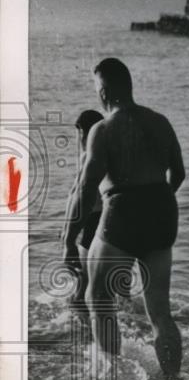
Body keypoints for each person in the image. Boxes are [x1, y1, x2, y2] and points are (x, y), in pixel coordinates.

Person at [62, 58, 186, 380]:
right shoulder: (160, 121)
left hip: (123, 210)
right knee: (159, 307)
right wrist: (156, 203)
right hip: (163, 208)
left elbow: (86, 191)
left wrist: (68, 240)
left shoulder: (102, 129)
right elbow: (179, 173)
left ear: (103, 91)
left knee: (98, 296)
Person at [62, 109, 105, 327]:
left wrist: (67, 237)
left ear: (85, 134)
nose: (78, 140)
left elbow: (79, 192)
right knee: (97, 280)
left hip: (91, 220)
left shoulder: (88, 155)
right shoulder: (106, 152)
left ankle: (83, 327)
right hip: (102, 220)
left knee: (82, 282)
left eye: (80, 134)